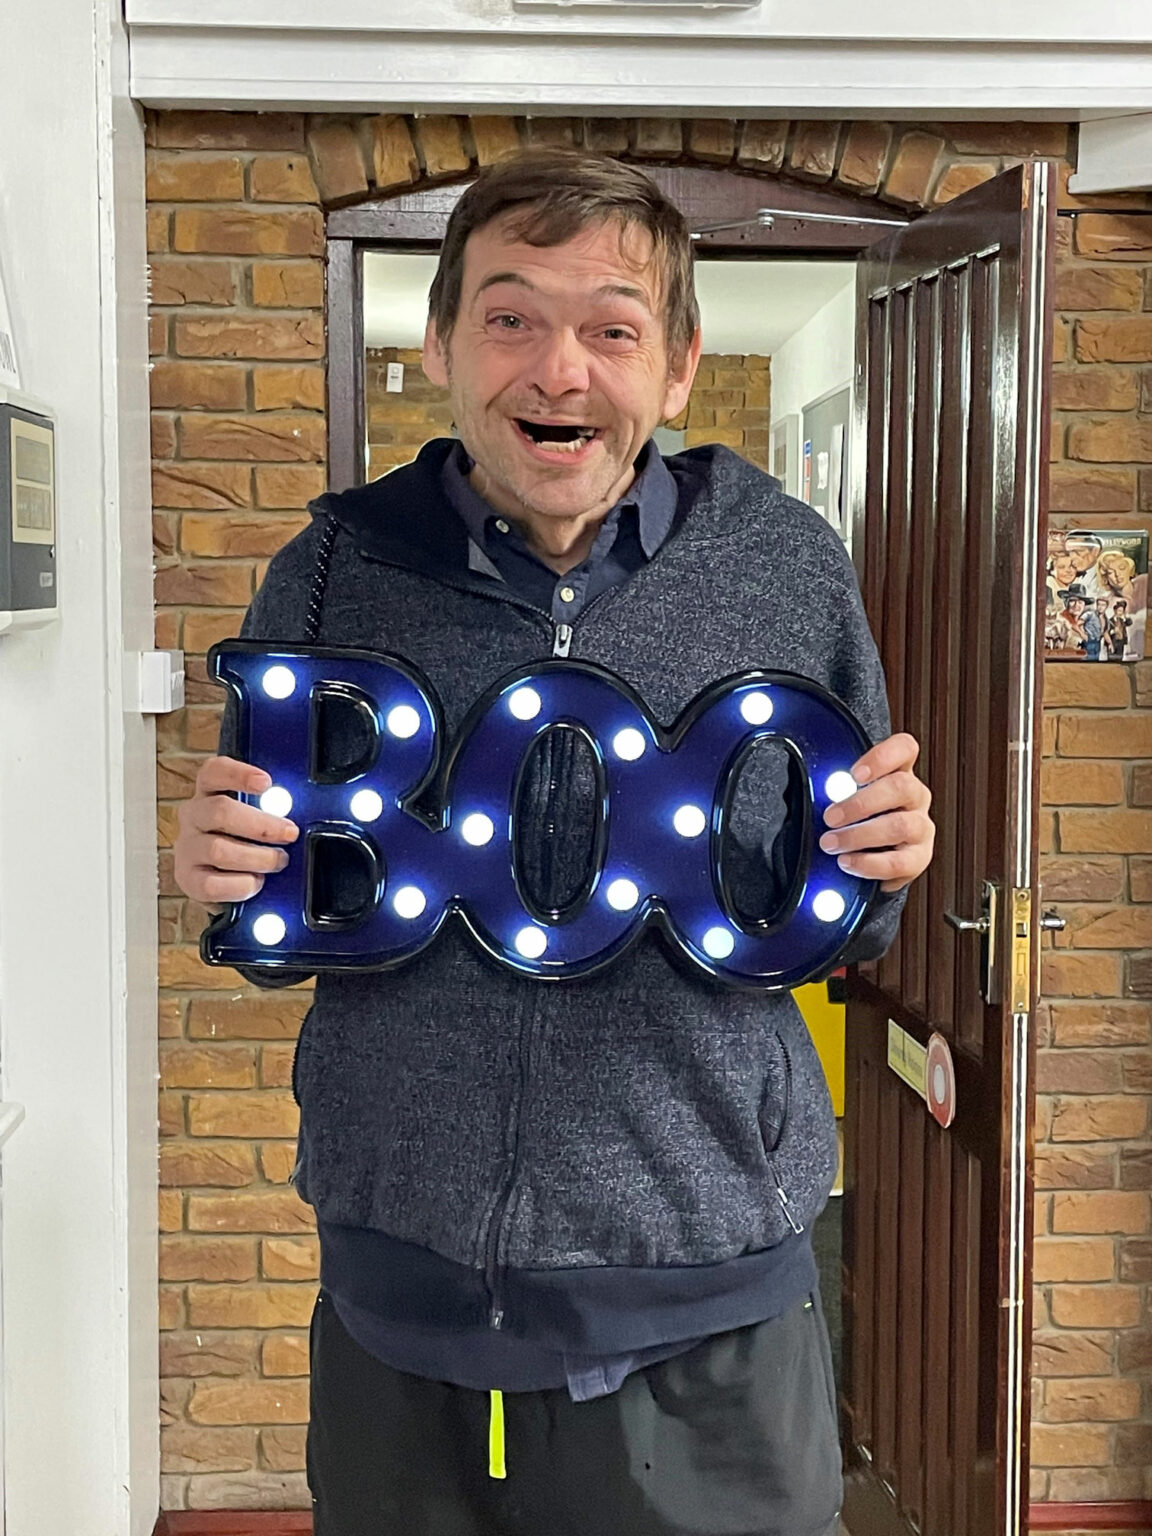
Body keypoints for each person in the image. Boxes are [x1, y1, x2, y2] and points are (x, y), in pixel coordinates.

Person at [173, 150, 935, 1536]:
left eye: (612, 329)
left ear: (680, 365)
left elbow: (841, 911)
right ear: (442, 347)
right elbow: (286, 931)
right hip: (400, 1296)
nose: (559, 370)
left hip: (708, 1296)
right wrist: (225, 882)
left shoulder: (784, 567)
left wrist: (883, 863)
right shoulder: (330, 572)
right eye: (511, 318)